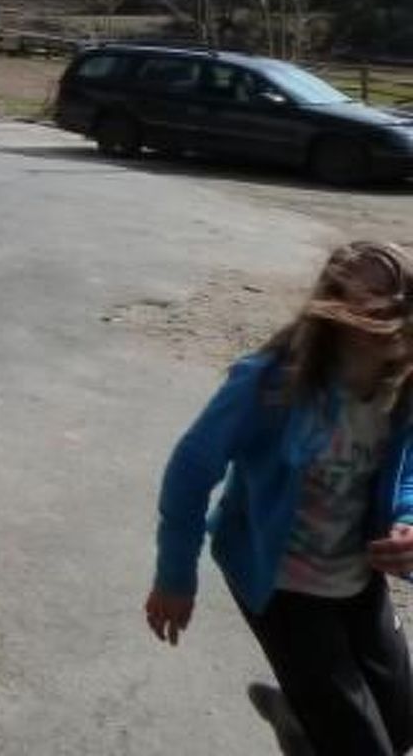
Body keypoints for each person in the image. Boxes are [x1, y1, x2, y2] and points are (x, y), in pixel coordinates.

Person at [146, 239, 413, 756]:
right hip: (281, 585)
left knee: (403, 725)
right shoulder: (270, 384)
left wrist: (408, 518)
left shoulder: (401, 386)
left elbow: (407, 468)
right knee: (362, 746)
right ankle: (309, 721)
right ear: (334, 315)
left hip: (356, 576)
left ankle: (298, 719)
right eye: (369, 314)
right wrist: (175, 577)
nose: (384, 335)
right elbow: (190, 472)